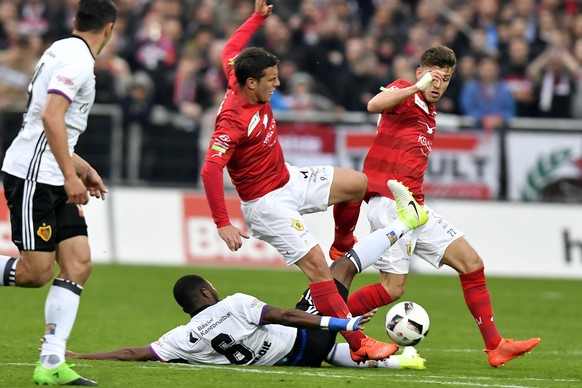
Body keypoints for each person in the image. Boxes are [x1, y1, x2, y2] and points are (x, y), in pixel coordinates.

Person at [200, 0, 429, 363]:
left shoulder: (238, 74)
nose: (277, 85)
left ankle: (343, 243)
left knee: (357, 183)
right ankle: (357, 344)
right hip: (266, 204)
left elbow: (231, 49)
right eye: (271, 81)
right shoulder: (231, 121)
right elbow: (210, 170)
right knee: (317, 267)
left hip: (288, 177)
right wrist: (222, 222)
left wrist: (258, 17)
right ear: (250, 83)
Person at [330, 45, 541, 368]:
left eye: (445, 79)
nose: (438, 84)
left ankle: (496, 346)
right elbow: (373, 104)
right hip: (390, 205)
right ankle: (326, 319)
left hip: (415, 209)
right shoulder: (405, 91)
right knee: (392, 288)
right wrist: (416, 86)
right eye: (434, 76)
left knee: (472, 263)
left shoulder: (430, 112)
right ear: (420, 73)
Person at [0, 0, 116, 385]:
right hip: (36, 176)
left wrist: (83, 168)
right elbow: (50, 116)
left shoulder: (61, 48)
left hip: (51, 171)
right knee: (36, 273)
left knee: (79, 263)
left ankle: (50, 362)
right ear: (110, 29)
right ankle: (50, 361)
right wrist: (71, 176)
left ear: (75, 21)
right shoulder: (78, 61)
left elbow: (45, 122)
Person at [66, 273, 426, 370]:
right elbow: (285, 316)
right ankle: (400, 227)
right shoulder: (234, 303)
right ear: (206, 293)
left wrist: (81, 357)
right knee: (336, 271)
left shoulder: (183, 336)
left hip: (295, 359)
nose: (215, 287)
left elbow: (134, 353)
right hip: (304, 342)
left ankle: (396, 360)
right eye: (211, 285)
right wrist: (341, 325)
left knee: (327, 314)